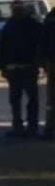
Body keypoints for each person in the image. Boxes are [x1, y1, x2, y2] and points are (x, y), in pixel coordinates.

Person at [0, 0, 43, 137]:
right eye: (14, 7)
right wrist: (3, 66)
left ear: (23, 9)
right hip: (13, 68)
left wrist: (39, 62)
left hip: (29, 67)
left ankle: (32, 126)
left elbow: (40, 44)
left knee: (32, 99)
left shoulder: (33, 25)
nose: (17, 10)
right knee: (14, 100)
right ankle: (17, 126)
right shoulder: (9, 26)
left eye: (19, 7)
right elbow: (3, 48)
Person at [42, 9, 55, 139]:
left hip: (51, 62)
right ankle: (49, 128)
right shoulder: (51, 18)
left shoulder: (50, 18)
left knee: (51, 101)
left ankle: (49, 128)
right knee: (51, 101)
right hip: (52, 63)